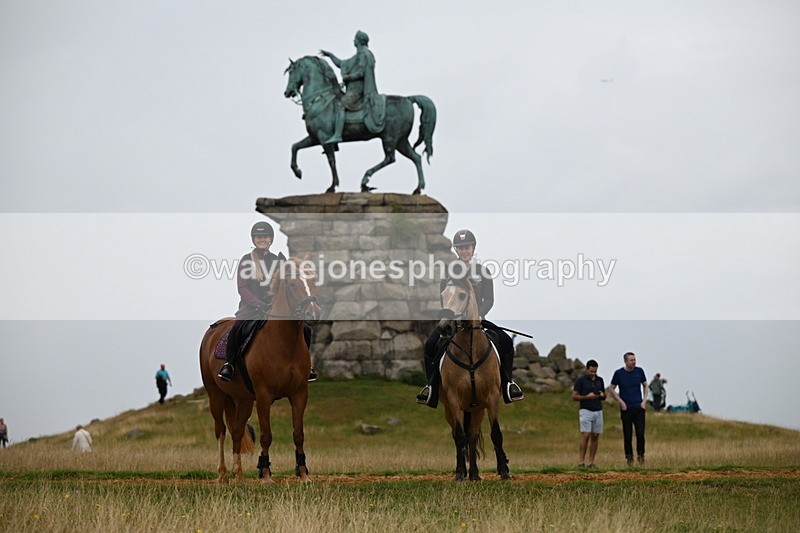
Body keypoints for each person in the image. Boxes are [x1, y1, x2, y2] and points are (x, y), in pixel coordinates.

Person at [416, 229, 524, 407]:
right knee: (430, 345)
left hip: (477, 320)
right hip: (453, 321)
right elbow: (443, 296)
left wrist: (480, 314)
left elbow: (489, 298)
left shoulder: (483, 271)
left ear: (473, 248)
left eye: (467, 247)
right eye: (460, 248)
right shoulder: (449, 272)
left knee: (505, 342)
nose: (464, 251)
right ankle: (431, 388)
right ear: (456, 250)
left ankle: (508, 385)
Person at [218, 221, 316, 382]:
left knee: (305, 329)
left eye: (265, 237)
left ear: (271, 239)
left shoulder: (277, 261)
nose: (262, 239)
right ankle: (230, 364)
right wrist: (259, 304)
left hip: (274, 307)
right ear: (253, 239)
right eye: (259, 237)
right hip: (251, 308)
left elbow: (285, 285)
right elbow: (242, 288)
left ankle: (306, 365)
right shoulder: (246, 260)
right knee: (237, 328)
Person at [319, 30, 385, 144]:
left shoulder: (365, 54)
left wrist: (348, 77)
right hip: (352, 91)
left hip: (358, 91)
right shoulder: (358, 55)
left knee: (340, 105)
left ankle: (338, 135)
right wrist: (330, 55)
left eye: (355, 38)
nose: (353, 40)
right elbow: (342, 63)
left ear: (359, 41)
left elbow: (361, 72)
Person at [608, 352, 648, 466]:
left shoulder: (639, 371)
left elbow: (645, 385)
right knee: (627, 434)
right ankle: (629, 459)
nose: (634, 362)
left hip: (639, 408)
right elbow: (611, 388)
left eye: (634, 359)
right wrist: (620, 401)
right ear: (625, 361)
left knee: (640, 434)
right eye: (631, 360)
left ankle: (641, 457)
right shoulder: (619, 373)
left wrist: (644, 401)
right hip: (626, 409)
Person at [572, 359, 605, 468]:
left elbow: (604, 395)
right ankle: (581, 462)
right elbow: (574, 396)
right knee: (585, 435)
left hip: (598, 410)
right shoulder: (580, 380)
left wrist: (601, 395)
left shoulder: (600, 380)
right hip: (585, 410)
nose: (593, 374)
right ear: (586, 369)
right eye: (591, 371)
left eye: (595, 371)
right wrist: (587, 397)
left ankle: (591, 462)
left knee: (595, 436)